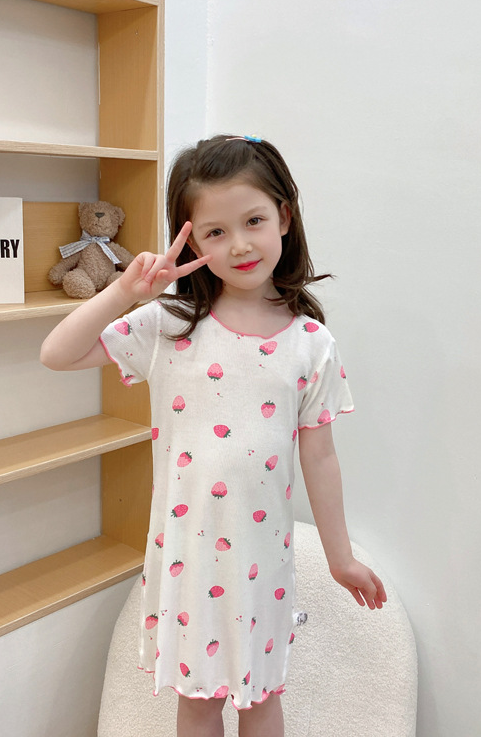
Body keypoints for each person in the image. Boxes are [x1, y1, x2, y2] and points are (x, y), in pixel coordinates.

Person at [40, 134, 386, 737]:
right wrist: (124, 292)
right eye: (216, 232)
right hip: (188, 561)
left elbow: (321, 458)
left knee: (261, 700)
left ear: (284, 216)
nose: (240, 245)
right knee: (198, 705)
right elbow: (57, 354)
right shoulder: (169, 325)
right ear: (193, 242)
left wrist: (341, 558)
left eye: (253, 220)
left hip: (264, 564)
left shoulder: (310, 343)